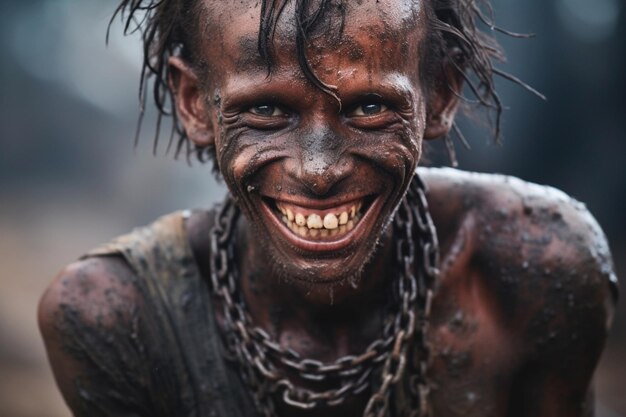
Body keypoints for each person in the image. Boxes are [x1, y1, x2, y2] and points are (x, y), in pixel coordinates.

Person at [38, 0, 619, 416]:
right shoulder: (117, 319)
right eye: (267, 111)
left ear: (439, 95)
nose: (318, 170)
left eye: (368, 107)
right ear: (195, 103)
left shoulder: (533, 269)